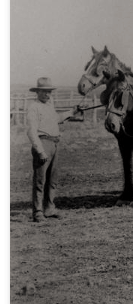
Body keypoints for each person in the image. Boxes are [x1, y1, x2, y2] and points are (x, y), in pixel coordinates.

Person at [26, 78, 83, 223]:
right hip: (43, 143)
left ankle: (49, 208)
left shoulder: (49, 105)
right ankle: (38, 211)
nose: (47, 94)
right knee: (40, 180)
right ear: (37, 92)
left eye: (49, 92)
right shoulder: (34, 107)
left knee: (52, 180)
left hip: (55, 143)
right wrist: (40, 151)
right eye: (44, 92)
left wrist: (73, 111)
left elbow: (56, 118)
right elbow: (32, 132)